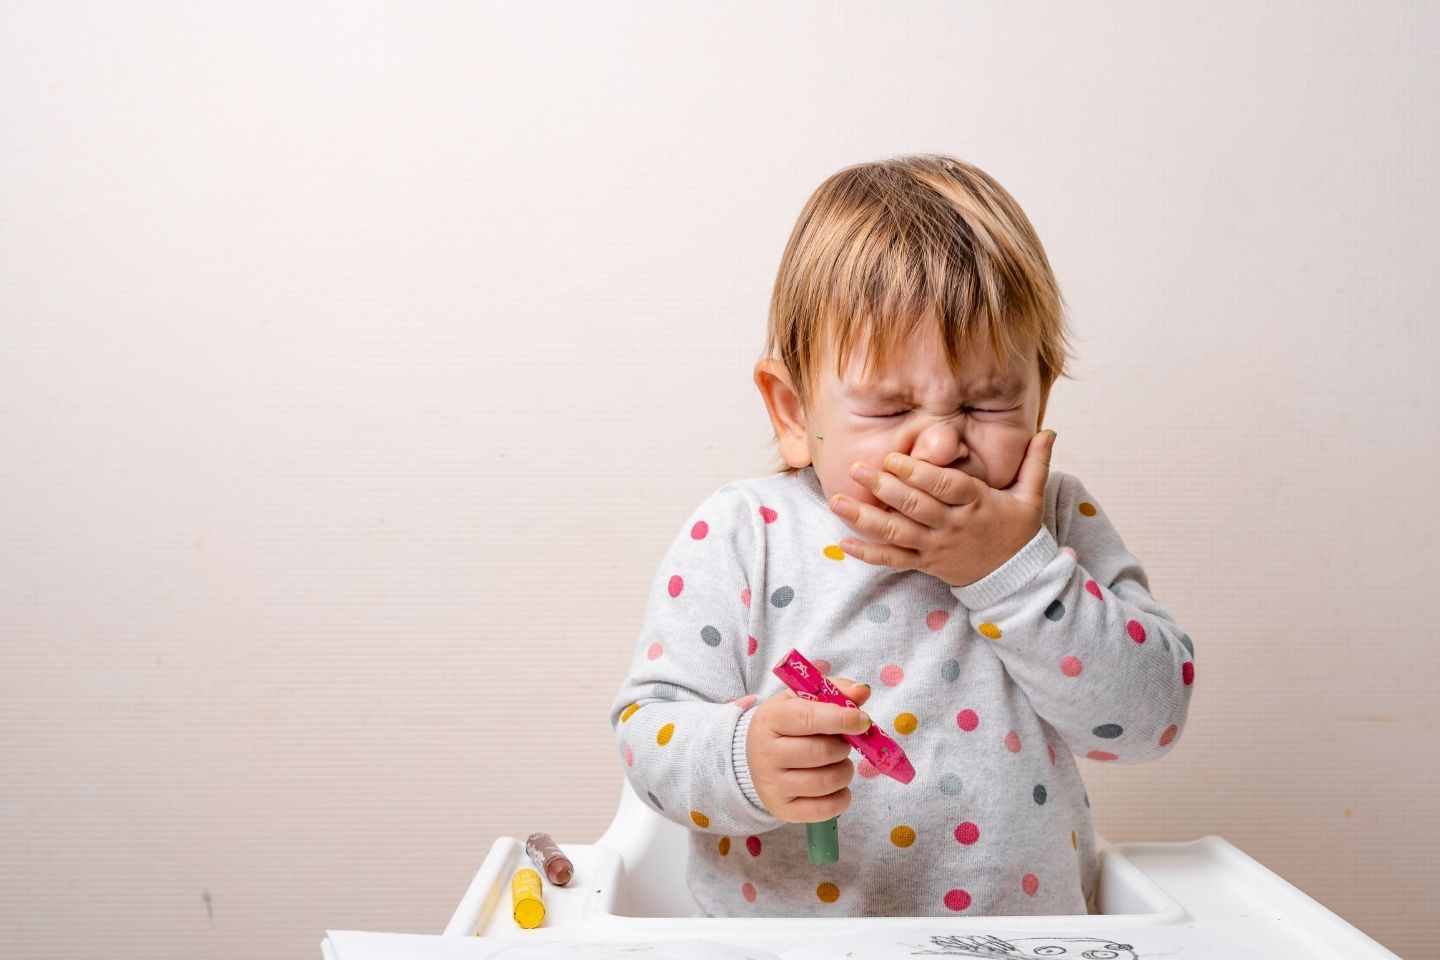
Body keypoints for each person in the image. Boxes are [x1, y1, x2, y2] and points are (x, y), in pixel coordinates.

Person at [609, 154, 1195, 917]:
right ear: (792, 413)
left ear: (1040, 394)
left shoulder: (1050, 521)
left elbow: (1151, 721)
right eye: (889, 411)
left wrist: (1013, 571)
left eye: (987, 404)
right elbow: (648, 734)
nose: (940, 447)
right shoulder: (743, 534)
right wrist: (745, 759)